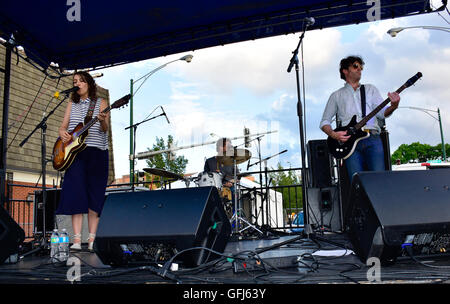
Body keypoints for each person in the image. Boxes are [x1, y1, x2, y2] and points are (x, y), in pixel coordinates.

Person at [319, 55, 400, 181]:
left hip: (372, 138)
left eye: (361, 67)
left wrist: (394, 106)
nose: (359, 69)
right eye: (356, 66)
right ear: (345, 70)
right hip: (350, 144)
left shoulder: (370, 89)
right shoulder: (336, 95)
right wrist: (333, 134)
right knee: (357, 184)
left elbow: (382, 112)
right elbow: (324, 121)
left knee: (380, 181)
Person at [55, 71, 109, 252]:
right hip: (74, 153)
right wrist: (62, 132)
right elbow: (64, 125)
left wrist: (101, 121)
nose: (77, 83)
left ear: (89, 83)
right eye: (74, 81)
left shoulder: (101, 103)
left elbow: (105, 128)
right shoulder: (72, 103)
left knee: (95, 196)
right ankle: (77, 240)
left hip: (96, 152)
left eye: (81, 81)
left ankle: (92, 240)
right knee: (75, 194)